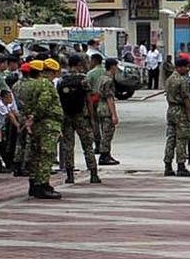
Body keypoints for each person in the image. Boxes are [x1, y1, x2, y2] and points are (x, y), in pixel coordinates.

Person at [57, 54, 100, 184]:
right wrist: (92, 118)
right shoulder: (83, 80)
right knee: (87, 145)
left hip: (67, 116)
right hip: (81, 116)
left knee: (68, 146)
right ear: (79, 65)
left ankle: (70, 175)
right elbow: (88, 100)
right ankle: (93, 173)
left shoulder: (61, 80)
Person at [26, 58, 64, 199]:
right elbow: (44, 103)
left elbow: (28, 104)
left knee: (36, 155)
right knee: (46, 155)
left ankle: (34, 184)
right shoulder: (46, 84)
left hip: (38, 125)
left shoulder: (33, 83)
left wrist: (31, 118)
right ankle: (43, 185)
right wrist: (35, 116)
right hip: (47, 124)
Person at [163, 56, 190, 177]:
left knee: (170, 138)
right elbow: (186, 98)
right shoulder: (182, 80)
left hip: (171, 109)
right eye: (186, 67)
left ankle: (168, 165)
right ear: (180, 67)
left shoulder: (170, 79)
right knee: (182, 138)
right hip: (180, 110)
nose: (187, 69)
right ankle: (181, 165)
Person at [96, 58, 121, 166]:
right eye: (116, 66)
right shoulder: (108, 80)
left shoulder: (101, 78)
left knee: (103, 131)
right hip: (106, 108)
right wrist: (114, 114)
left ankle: (105, 153)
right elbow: (109, 98)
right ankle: (104, 155)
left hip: (99, 107)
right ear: (112, 67)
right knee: (107, 133)